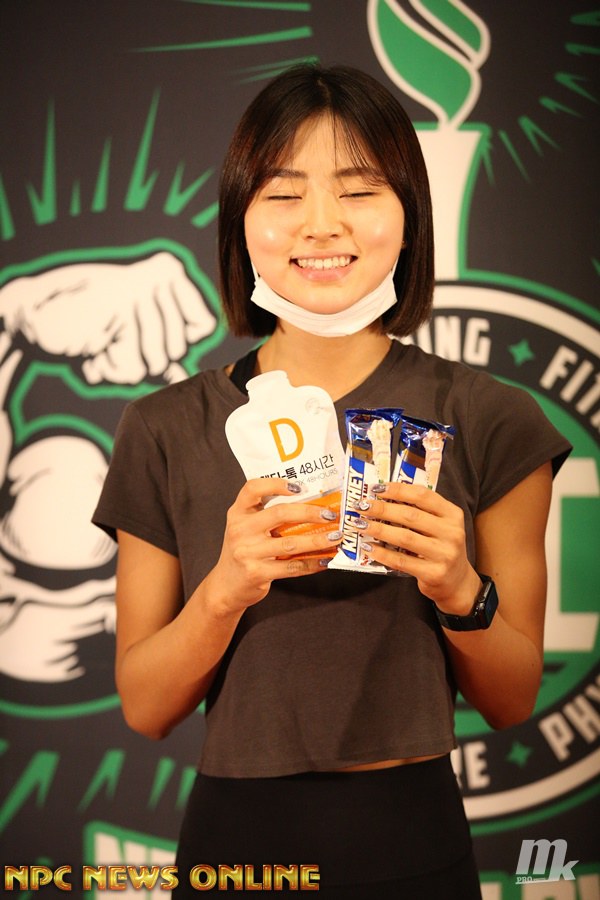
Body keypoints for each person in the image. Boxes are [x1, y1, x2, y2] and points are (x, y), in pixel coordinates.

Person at [93, 64, 571, 897]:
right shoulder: (164, 426)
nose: (321, 223)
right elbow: (146, 706)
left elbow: (512, 698)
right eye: (283, 194)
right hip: (234, 846)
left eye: (359, 190)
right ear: (239, 222)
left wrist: (459, 588)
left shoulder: (492, 415)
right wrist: (224, 590)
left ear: (409, 216)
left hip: (415, 840)